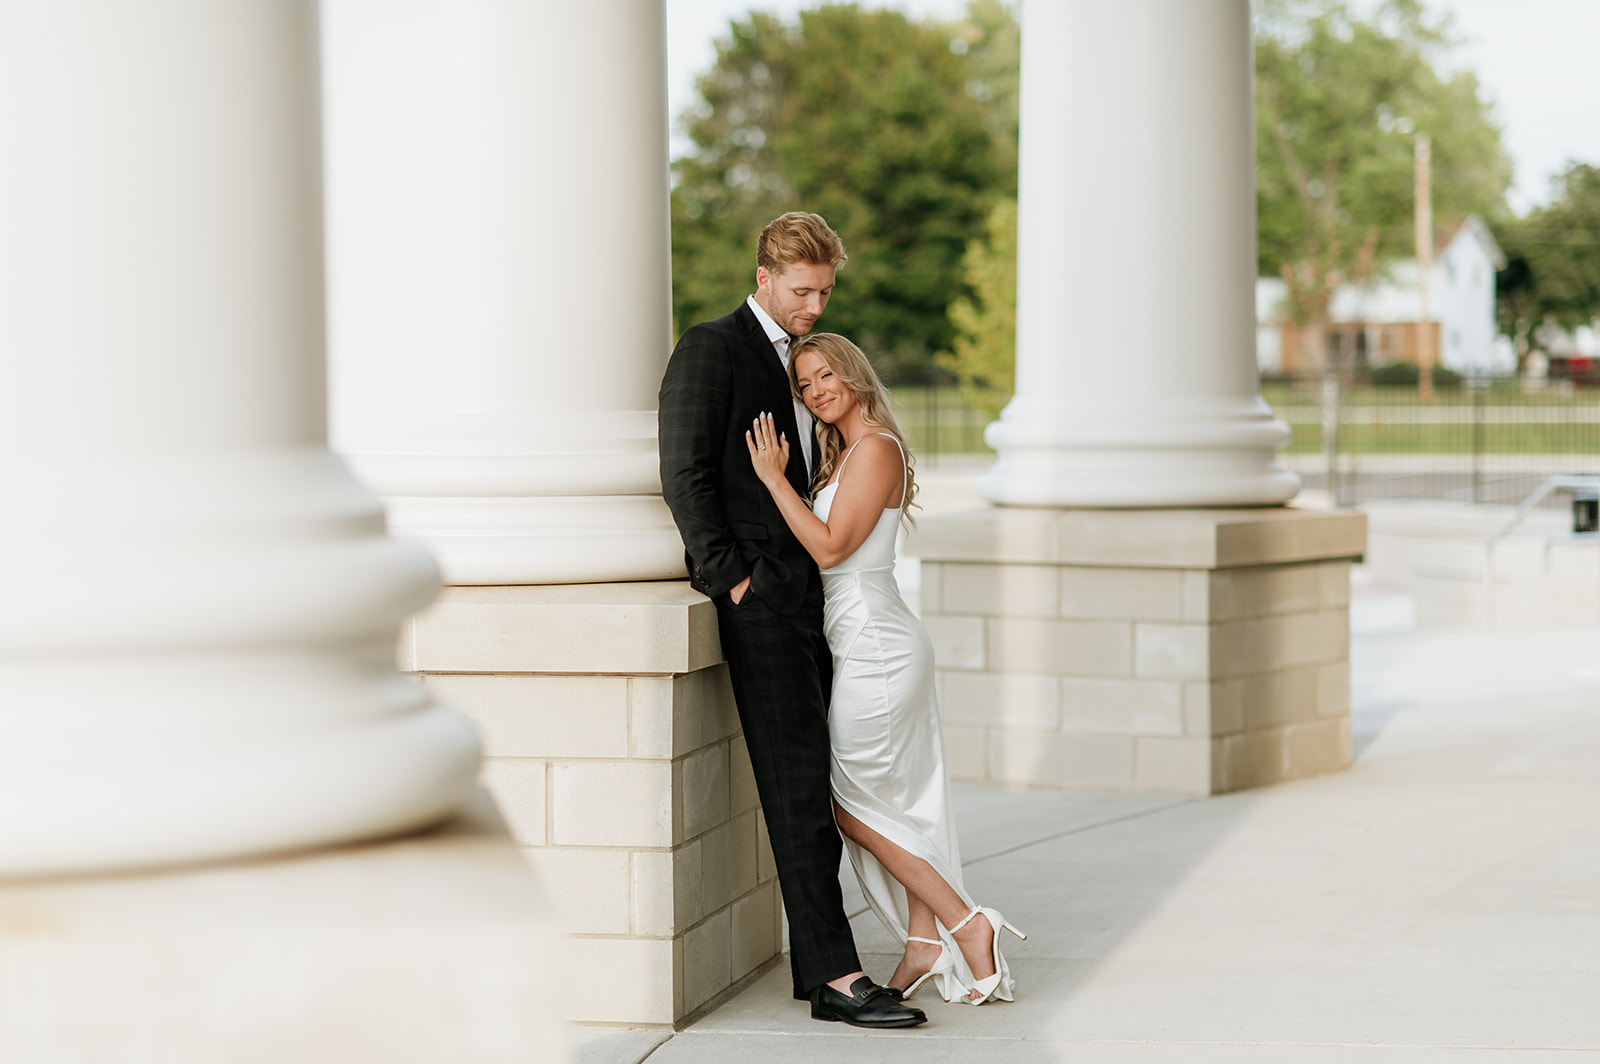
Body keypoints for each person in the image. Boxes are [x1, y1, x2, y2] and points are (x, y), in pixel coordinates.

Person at [658, 213, 926, 1029]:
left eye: (824, 291)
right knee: (798, 789)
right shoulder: (711, 347)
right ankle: (838, 979)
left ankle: (824, 970)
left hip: (824, 606)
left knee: (817, 783)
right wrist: (733, 580)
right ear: (766, 276)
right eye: (802, 290)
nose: (814, 305)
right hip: (764, 602)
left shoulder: (808, 364)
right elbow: (686, 473)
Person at [745, 333, 1026, 1006]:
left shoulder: (875, 449)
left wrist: (774, 481)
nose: (815, 391)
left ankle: (966, 921)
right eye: (804, 385)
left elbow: (833, 548)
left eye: (824, 375)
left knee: (847, 803)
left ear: (853, 373)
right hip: (865, 640)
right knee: (897, 804)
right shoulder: (852, 452)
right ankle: (923, 944)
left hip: (876, 644)